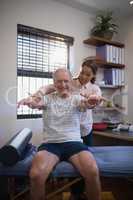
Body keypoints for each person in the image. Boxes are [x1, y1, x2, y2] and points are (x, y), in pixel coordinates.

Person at [28, 68, 101, 200]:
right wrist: (32, 100)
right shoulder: (47, 99)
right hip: (51, 144)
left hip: (74, 143)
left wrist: (92, 102)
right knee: (36, 175)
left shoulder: (77, 98)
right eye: (58, 81)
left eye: (66, 81)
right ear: (53, 83)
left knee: (92, 171)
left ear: (71, 82)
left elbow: (88, 104)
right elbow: (35, 102)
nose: (62, 85)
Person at [18, 56, 102, 146]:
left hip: (85, 127)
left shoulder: (95, 89)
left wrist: (93, 100)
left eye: (88, 75)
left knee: (88, 151)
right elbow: (48, 88)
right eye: (82, 73)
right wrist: (33, 98)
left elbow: (96, 102)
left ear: (93, 75)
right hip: (68, 129)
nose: (83, 76)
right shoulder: (69, 83)